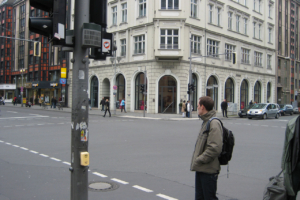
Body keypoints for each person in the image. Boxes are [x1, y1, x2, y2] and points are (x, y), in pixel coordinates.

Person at [191, 96, 223, 200]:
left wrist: (199, 160)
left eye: (198, 106)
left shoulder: (213, 123)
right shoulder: (206, 121)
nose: (197, 108)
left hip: (208, 170)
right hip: (202, 168)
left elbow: (214, 148)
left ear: (203, 107)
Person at [282, 116, 300, 200]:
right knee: (291, 194)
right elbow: (286, 148)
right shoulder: (292, 124)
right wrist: (284, 167)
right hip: (295, 167)